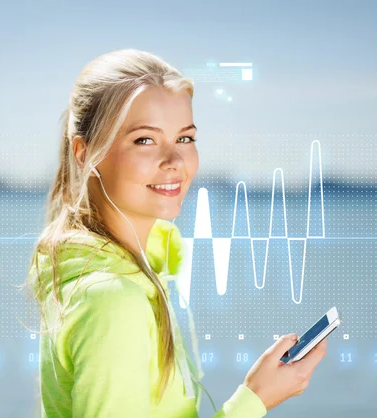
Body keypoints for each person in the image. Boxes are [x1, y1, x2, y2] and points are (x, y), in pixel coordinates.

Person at [25, 48, 327, 417]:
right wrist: (254, 400)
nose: (175, 162)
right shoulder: (114, 301)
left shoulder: (131, 270)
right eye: (145, 140)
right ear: (86, 153)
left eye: (185, 139)